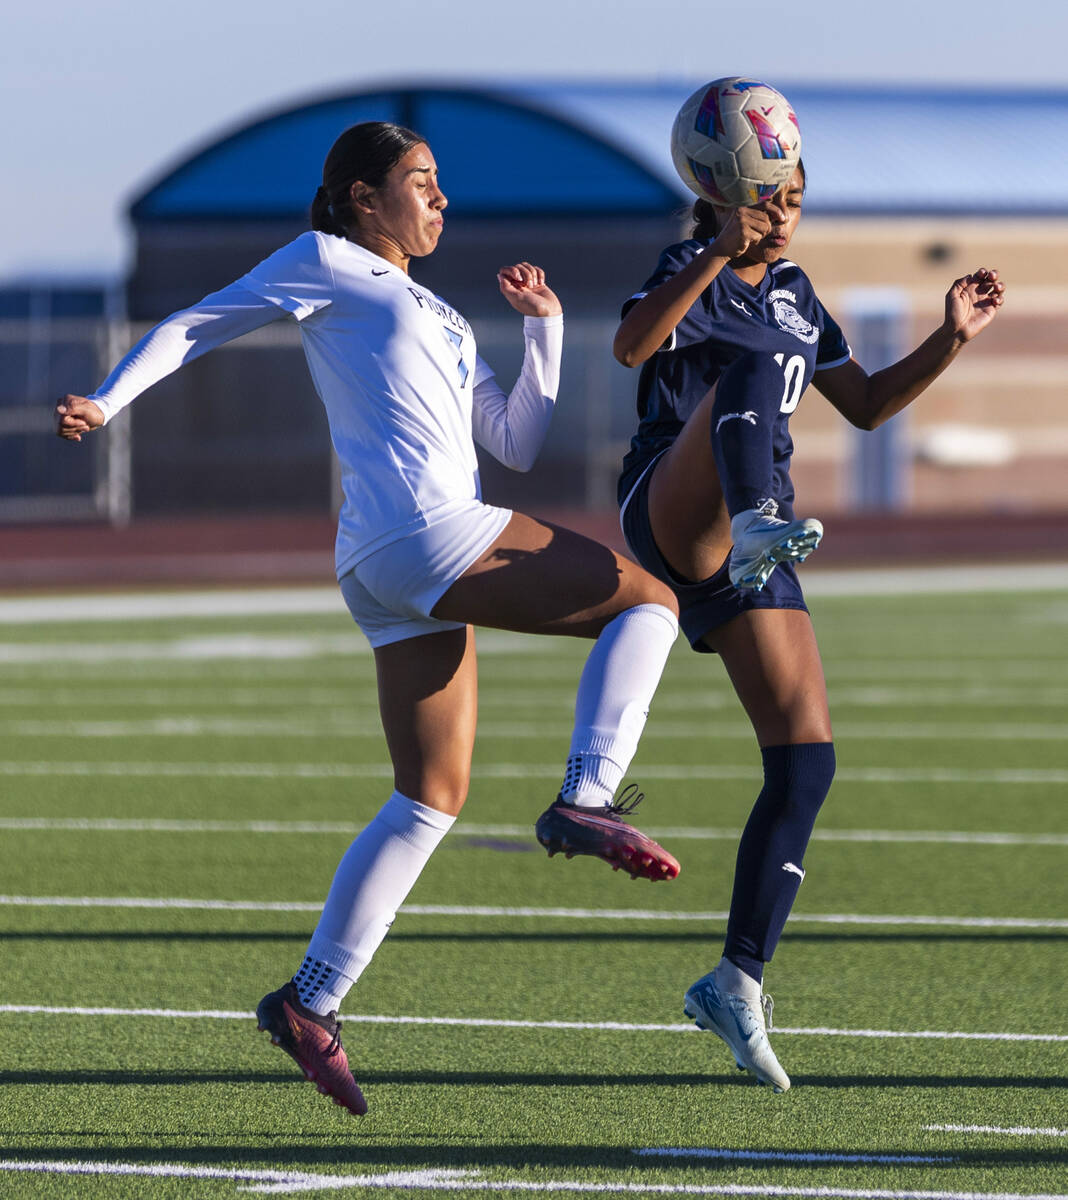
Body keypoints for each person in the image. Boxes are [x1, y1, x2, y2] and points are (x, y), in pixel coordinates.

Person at [56, 121, 685, 1117]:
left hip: (383, 564)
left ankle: (311, 1003)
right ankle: (587, 795)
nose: (439, 200)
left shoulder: (438, 310)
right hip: (427, 534)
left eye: (441, 184)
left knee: (429, 799)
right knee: (650, 598)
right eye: (420, 182)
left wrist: (545, 328)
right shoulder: (325, 262)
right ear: (360, 197)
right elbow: (194, 325)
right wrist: (107, 397)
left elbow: (514, 441)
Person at [613, 160, 1005, 1093]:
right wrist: (712, 251)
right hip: (673, 501)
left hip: (757, 538)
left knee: (806, 763)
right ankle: (753, 522)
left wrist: (949, 340)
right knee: (748, 365)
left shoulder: (795, 292)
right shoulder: (690, 260)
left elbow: (865, 407)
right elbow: (633, 347)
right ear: (719, 197)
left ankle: (735, 981)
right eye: (764, 199)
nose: (781, 217)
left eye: (792, 201)